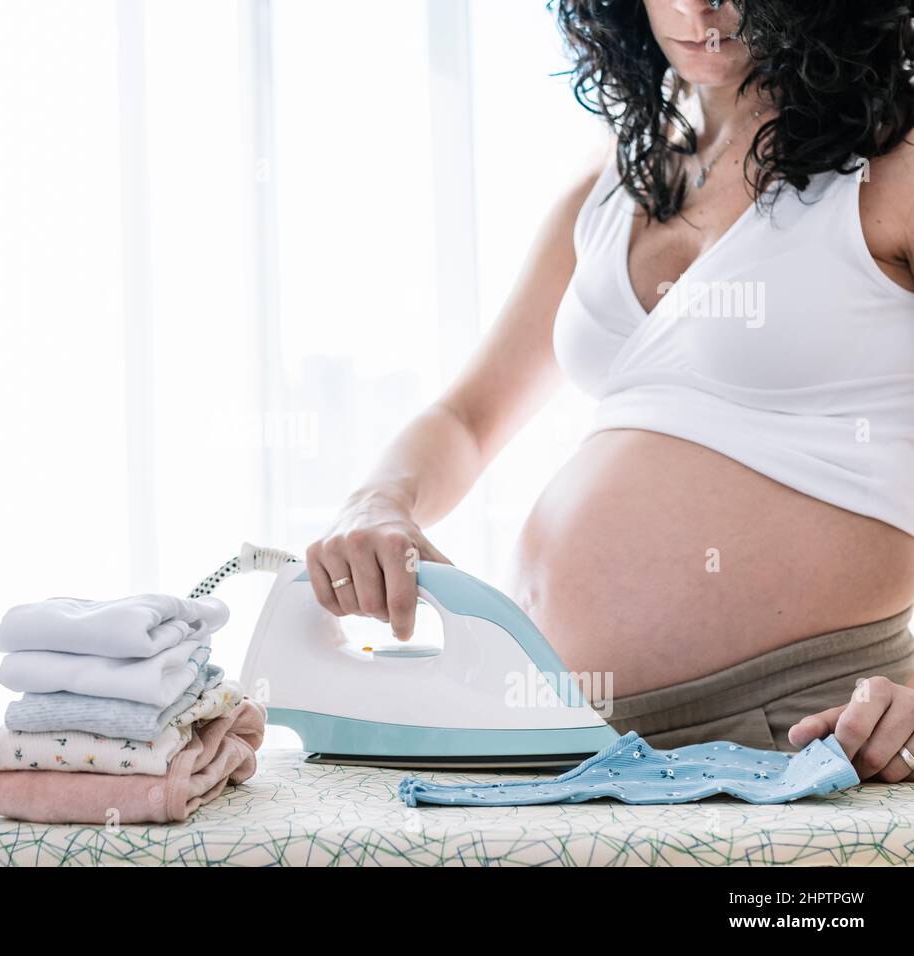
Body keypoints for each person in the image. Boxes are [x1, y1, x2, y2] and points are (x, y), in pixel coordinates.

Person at [306, 0, 914, 780]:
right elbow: (465, 418)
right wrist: (377, 501)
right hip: (556, 736)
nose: (701, 6)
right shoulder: (607, 192)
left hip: (792, 730)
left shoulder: (890, 172)